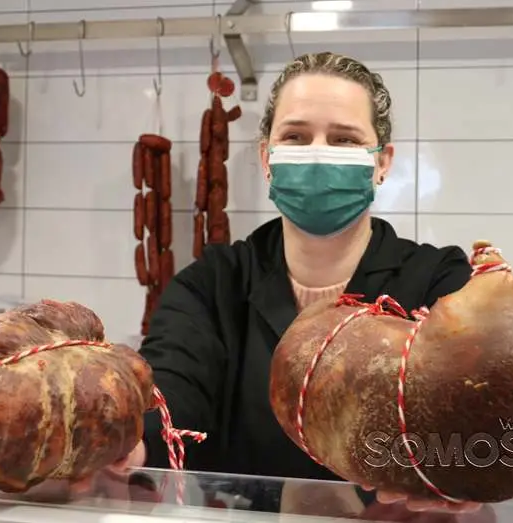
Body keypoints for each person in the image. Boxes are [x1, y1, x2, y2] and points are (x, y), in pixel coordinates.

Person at [124, 51, 478, 512]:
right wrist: (127, 440)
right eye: (295, 136)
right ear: (267, 157)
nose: (317, 153)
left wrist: (475, 465)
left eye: (344, 140)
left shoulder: (438, 283)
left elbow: (483, 404)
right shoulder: (211, 286)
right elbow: (169, 397)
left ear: (382, 162)